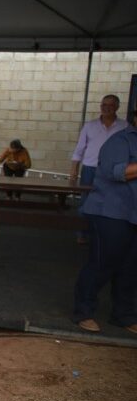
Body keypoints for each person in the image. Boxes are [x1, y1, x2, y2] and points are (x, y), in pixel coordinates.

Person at [72, 110, 137, 334]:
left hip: (133, 215)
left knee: (130, 267)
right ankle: (83, 312)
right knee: (102, 263)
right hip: (110, 213)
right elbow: (117, 172)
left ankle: (123, 315)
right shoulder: (120, 141)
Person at [70, 94, 129, 244]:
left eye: (110, 105)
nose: (106, 108)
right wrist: (74, 169)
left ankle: (102, 235)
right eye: (104, 105)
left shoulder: (125, 127)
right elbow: (79, 149)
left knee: (111, 203)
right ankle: (82, 233)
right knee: (86, 202)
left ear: (117, 107)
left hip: (113, 171)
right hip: (90, 169)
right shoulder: (89, 126)